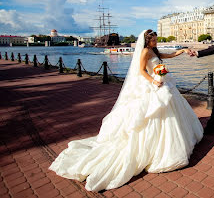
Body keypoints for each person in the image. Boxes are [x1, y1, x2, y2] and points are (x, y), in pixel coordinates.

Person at [49, 29, 203, 192]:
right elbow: (141, 70)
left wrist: (183, 51)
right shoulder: (144, 51)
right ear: (147, 40)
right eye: (154, 40)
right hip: (152, 85)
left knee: (171, 109)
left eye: (156, 40)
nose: (156, 43)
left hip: (161, 82)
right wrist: (153, 81)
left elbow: (168, 56)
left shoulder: (154, 50)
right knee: (153, 114)